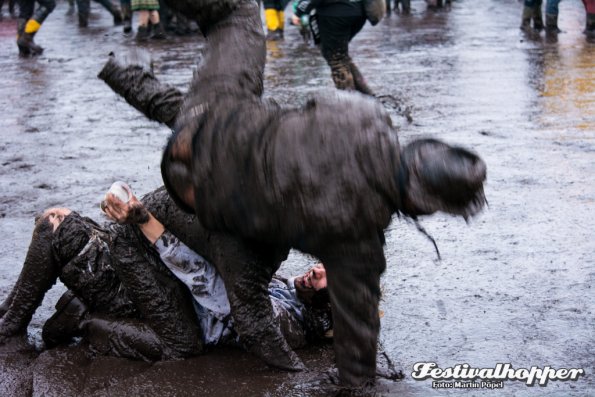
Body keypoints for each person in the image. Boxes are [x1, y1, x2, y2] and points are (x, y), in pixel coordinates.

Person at [100, 0, 487, 388]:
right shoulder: (359, 244)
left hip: (205, 130)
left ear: (417, 149)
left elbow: (315, 108)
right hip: (206, 201)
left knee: (240, 12)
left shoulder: (366, 118)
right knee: (251, 294)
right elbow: (358, 327)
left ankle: (115, 70)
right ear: (423, 204)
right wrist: (357, 380)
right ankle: (118, 74)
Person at [0, 185, 333, 360]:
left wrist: (150, 226)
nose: (317, 269)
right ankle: (12, 315)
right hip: (161, 286)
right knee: (61, 221)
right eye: (325, 265)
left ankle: (15, 327)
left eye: (326, 277)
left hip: (165, 306)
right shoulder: (293, 294)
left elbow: (210, 286)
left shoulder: (286, 325)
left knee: (55, 225)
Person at [293, 0, 375, 95]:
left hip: (335, 14)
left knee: (336, 59)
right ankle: (366, 95)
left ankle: (349, 101)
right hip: (359, 13)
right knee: (340, 55)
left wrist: (299, 12)